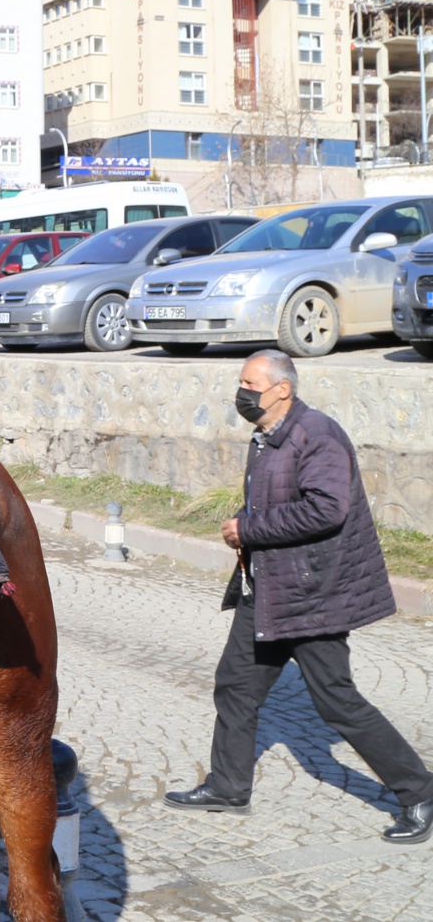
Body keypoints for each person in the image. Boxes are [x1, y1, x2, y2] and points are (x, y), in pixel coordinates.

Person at [164, 350, 433, 845]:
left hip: (314, 595)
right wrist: (250, 532)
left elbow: (327, 510)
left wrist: (248, 527)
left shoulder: (318, 435)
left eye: (250, 383)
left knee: (337, 701)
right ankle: (228, 786)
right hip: (267, 590)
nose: (241, 392)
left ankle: (419, 791)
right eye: (240, 382)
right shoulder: (268, 435)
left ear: (282, 389)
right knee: (236, 686)